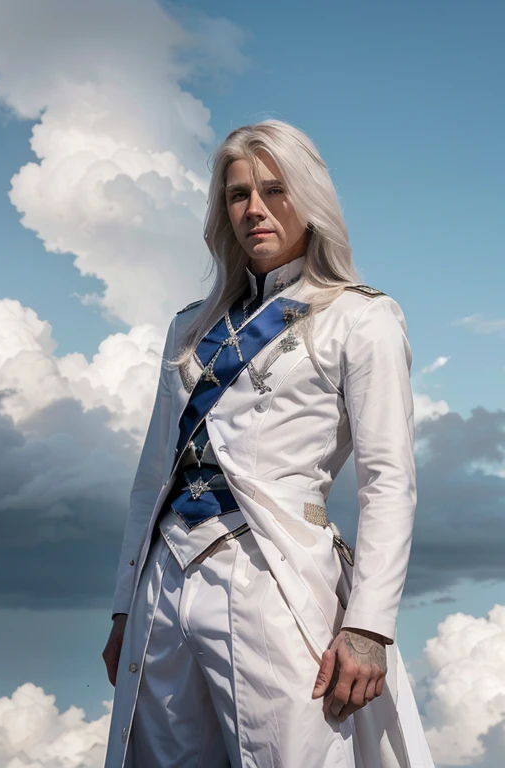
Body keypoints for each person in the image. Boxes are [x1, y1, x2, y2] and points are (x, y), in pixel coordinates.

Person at [102, 119, 435, 767]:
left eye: (275, 190)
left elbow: (388, 480)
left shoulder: (359, 317)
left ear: (310, 198)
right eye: (237, 194)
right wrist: (123, 609)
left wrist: (368, 624)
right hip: (164, 587)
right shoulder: (190, 330)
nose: (254, 209)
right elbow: (152, 480)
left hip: (273, 580)